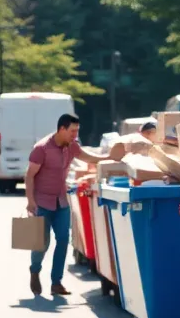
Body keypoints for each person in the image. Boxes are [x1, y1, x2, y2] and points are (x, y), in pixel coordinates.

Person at [25, 114, 141, 296]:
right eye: (72, 131)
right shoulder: (42, 149)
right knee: (41, 243)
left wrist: (111, 157)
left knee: (63, 240)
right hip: (42, 202)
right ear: (61, 129)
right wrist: (30, 201)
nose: (75, 135)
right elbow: (29, 175)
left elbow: (91, 158)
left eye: (77, 131)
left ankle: (56, 283)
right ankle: (35, 270)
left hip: (61, 201)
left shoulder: (71, 147)